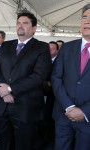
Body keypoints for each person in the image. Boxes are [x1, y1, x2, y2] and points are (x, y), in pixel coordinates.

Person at [0, 11, 51, 150]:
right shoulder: (6, 46)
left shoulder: (41, 47)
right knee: (3, 142)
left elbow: (39, 76)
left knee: (24, 144)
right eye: (18, 23)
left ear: (34, 29)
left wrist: (11, 89)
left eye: (25, 23)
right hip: (3, 104)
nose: (20, 26)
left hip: (25, 107)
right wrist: (3, 91)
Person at [51, 3, 90, 150]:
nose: (87, 21)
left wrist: (85, 111)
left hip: (88, 119)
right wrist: (69, 106)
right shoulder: (67, 48)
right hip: (63, 115)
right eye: (84, 17)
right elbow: (56, 78)